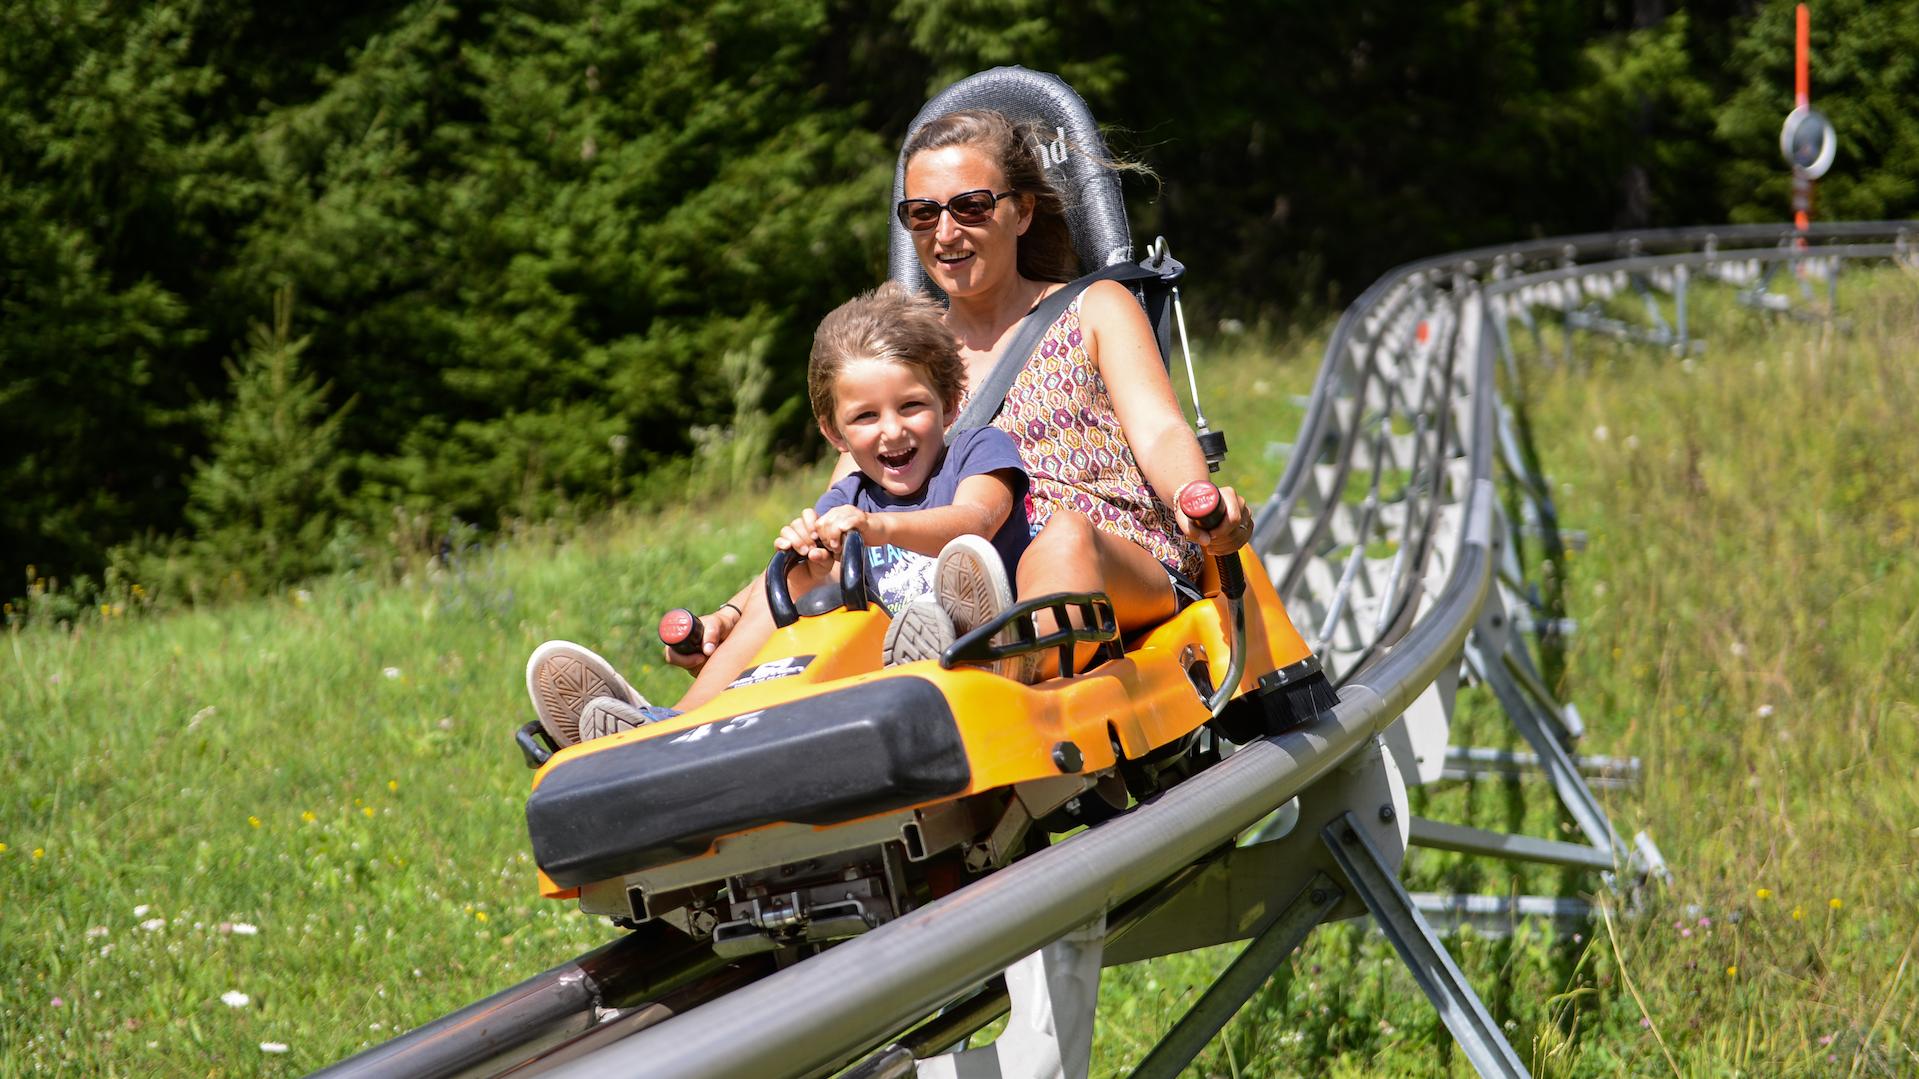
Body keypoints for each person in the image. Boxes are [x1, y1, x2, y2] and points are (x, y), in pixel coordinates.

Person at [659, 107, 1253, 682]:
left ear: (1021, 212)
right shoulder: (909, 350)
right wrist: (735, 611)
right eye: (923, 214)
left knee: (1063, 534)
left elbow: (1160, 431)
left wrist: (1194, 496)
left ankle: (999, 673)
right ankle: (665, 733)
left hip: (1114, 563)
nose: (945, 233)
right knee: (822, 564)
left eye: (970, 207)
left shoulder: (1093, 307)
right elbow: (841, 510)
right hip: (948, 583)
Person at [527, 282, 1031, 745]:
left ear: (949, 402)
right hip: (860, 671)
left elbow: (976, 520)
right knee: (791, 579)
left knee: (926, 605)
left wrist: (879, 528)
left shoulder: (977, 450)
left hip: (977, 657)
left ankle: (935, 663)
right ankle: (671, 728)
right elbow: (786, 578)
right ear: (836, 434)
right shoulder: (850, 497)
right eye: (865, 416)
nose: (892, 431)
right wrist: (728, 613)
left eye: (911, 406)